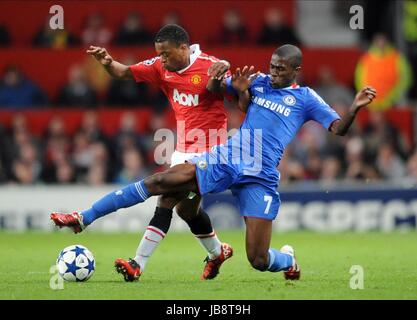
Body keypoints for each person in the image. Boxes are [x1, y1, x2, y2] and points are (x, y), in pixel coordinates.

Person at [51, 44, 376, 281]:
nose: (274, 72)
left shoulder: (306, 98)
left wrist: (355, 108)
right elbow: (225, 93)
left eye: (281, 68)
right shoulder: (259, 80)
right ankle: (85, 217)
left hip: (260, 176)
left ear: (296, 71)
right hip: (231, 157)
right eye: (273, 65)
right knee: (162, 183)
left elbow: (338, 130)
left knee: (258, 259)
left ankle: (287, 260)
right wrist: (237, 88)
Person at [52, 24, 234, 282]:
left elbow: (234, 88)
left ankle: (89, 221)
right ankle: (217, 253)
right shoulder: (161, 66)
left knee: (159, 188)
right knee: (186, 211)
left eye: (167, 54)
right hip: (183, 153)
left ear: (184, 48)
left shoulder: (209, 66)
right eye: (159, 54)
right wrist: (107, 62)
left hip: (212, 153)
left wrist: (226, 69)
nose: (162, 59)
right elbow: (123, 72)